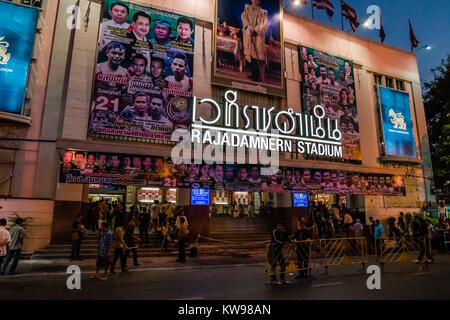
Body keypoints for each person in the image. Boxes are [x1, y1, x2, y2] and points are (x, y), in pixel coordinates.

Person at [241, 0, 268, 82]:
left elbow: (265, 24)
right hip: (249, 34)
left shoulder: (263, 12)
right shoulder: (247, 8)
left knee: (257, 55)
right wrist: (249, 27)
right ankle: (253, 74)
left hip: (258, 37)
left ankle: (256, 76)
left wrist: (255, 29)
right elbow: (244, 17)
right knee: (250, 55)